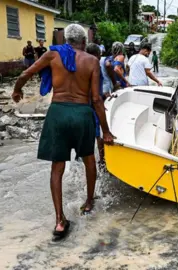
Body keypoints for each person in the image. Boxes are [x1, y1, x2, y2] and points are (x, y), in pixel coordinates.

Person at [11, 24, 115, 241]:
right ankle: (88, 204)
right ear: (84, 41)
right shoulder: (92, 61)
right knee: (89, 160)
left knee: (57, 167)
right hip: (82, 113)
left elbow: (26, 73)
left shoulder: (52, 55)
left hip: (58, 113)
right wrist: (106, 131)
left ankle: (59, 221)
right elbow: (96, 99)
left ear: (66, 40)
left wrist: (17, 90)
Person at [86, 43, 113, 171]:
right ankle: (102, 162)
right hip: (92, 104)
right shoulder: (94, 65)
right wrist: (99, 103)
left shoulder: (81, 64)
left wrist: (103, 95)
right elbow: (94, 94)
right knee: (99, 134)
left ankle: (84, 158)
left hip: (83, 105)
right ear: (97, 55)